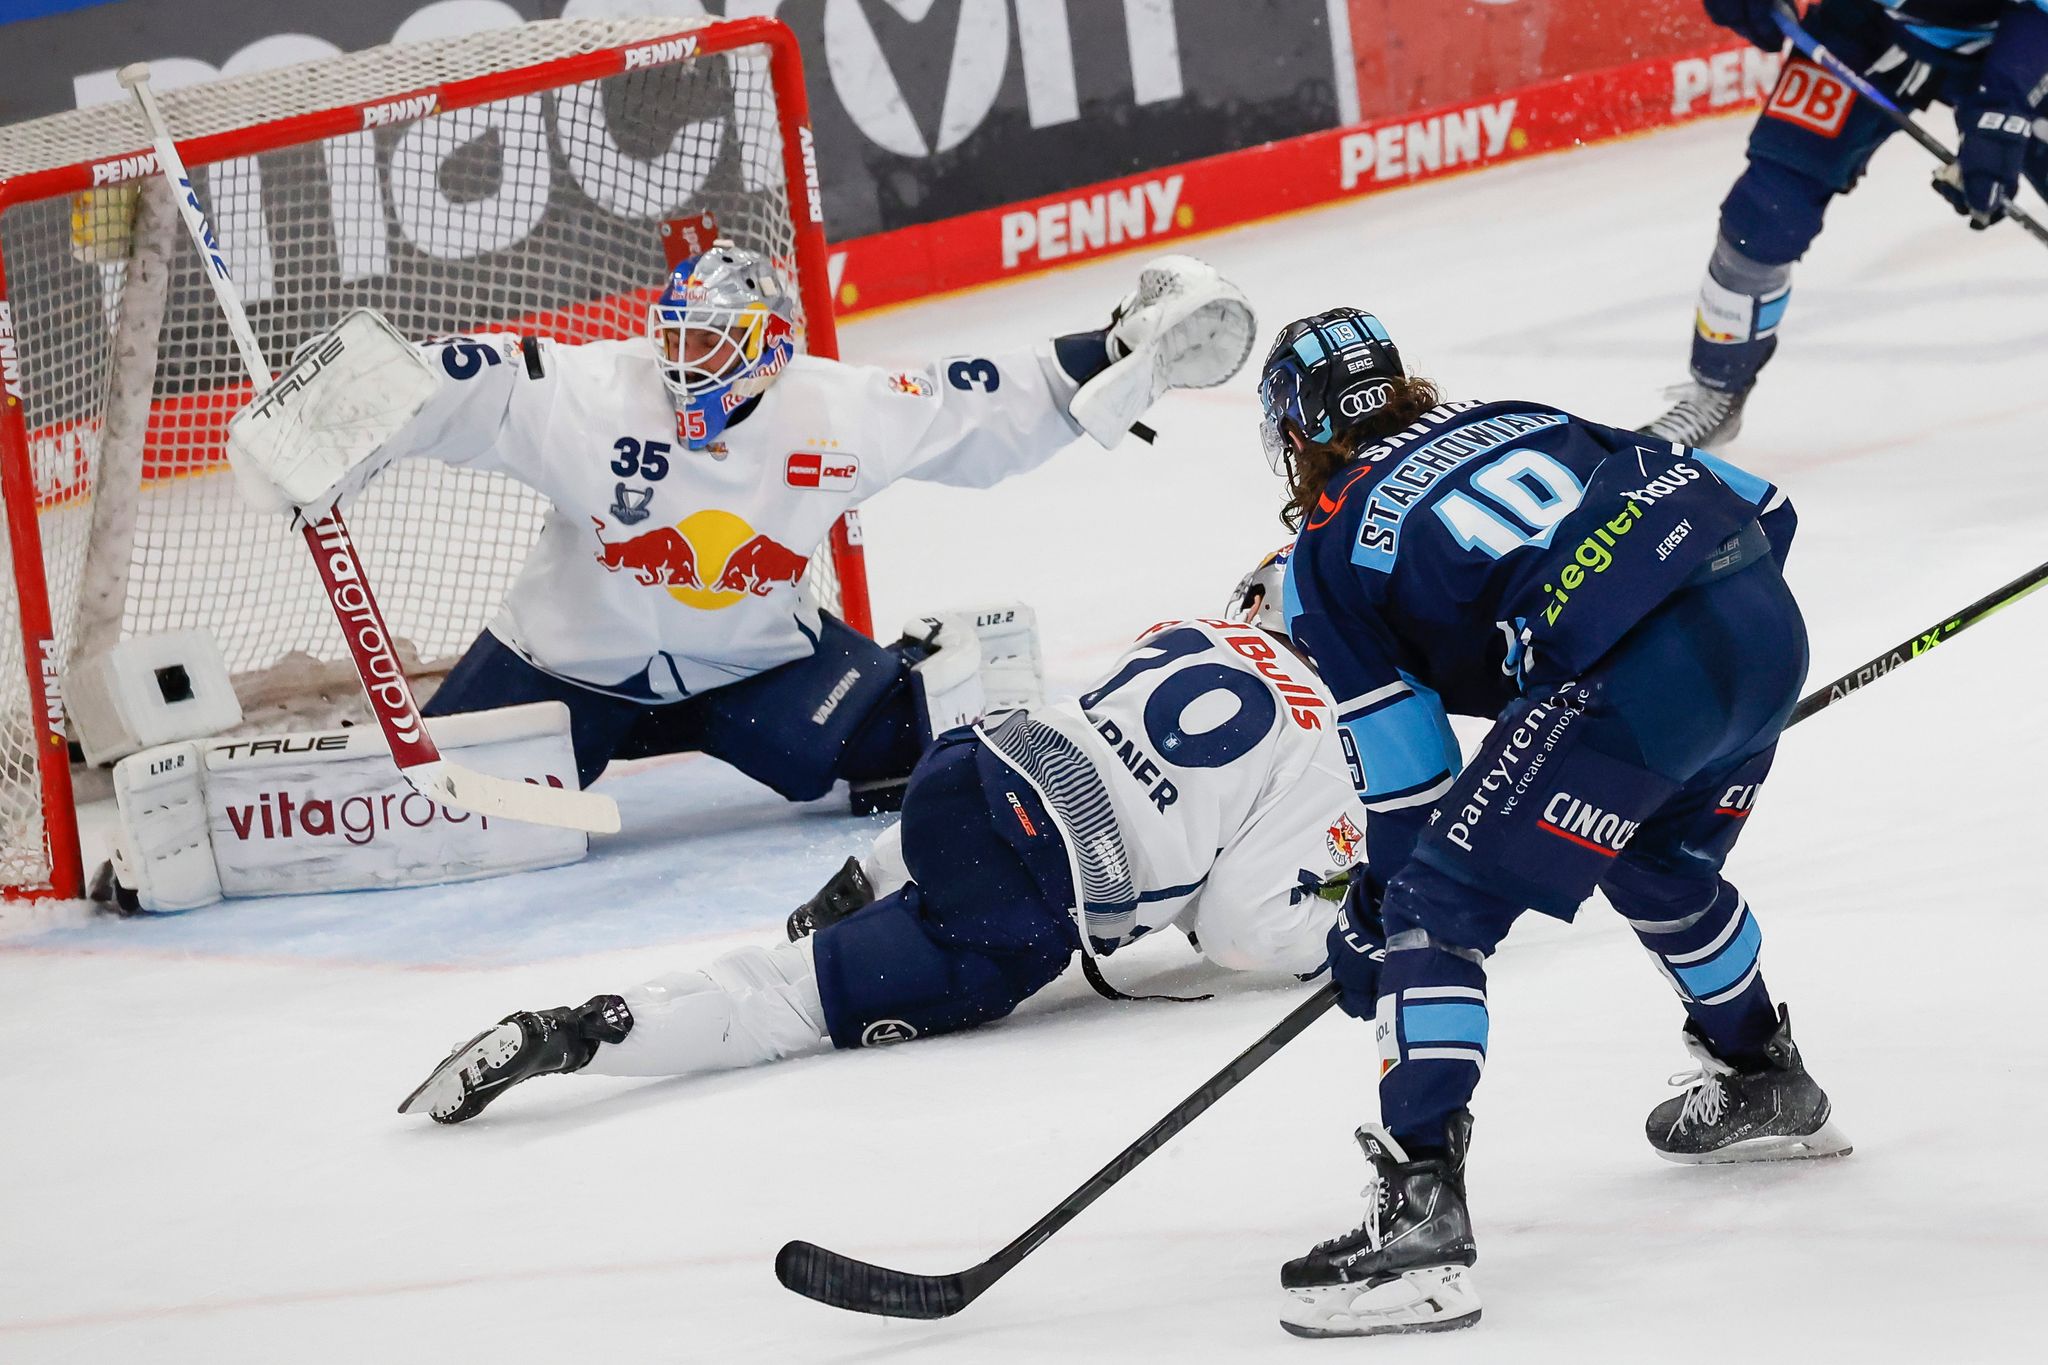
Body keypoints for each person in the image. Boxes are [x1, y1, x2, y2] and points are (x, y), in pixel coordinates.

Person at [1259, 308, 1850, 1337]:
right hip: (1757, 618)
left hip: (1629, 679)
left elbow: (1409, 790)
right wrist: (1715, 646)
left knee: (1435, 909)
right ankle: (1765, 1079)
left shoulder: (1327, 550)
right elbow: (1764, 505)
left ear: (1297, 434)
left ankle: (1420, 1221)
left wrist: (1371, 919)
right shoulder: (1511, 415)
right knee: (1651, 855)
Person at [230, 242, 1253, 813]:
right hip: (562, 665)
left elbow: (978, 406)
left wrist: (1110, 349)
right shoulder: (584, 393)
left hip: (750, 666)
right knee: (452, 810)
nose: (689, 368)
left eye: (717, 348)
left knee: (907, 754)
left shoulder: (838, 408)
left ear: (771, 356)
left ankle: (887, 688)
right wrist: (330, 432)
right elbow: (456, 377)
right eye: (678, 339)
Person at [398, 558, 1369, 1124]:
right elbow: (1240, 932)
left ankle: (862, 882)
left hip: (965, 767)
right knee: (778, 1004)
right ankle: (578, 1033)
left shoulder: (1192, 629)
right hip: (1020, 894)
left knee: (997, 811)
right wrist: (1337, 915)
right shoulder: (1326, 739)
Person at [1644, 0, 2048, 446]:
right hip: (1869, 29)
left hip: (2027, 42)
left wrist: (2002, 113)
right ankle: (1715, 394)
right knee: (1764, 213)